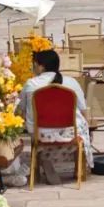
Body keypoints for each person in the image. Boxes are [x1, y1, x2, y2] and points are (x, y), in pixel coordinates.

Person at [17, 49, 93, 182]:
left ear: (41, 66)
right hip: (70, 133)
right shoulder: (71, 82)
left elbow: (21, 110)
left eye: (34, 64)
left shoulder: (30, 84)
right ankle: (78, 169)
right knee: (80, 124)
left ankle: (42, 166)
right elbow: (83, 110)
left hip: (40, 134)